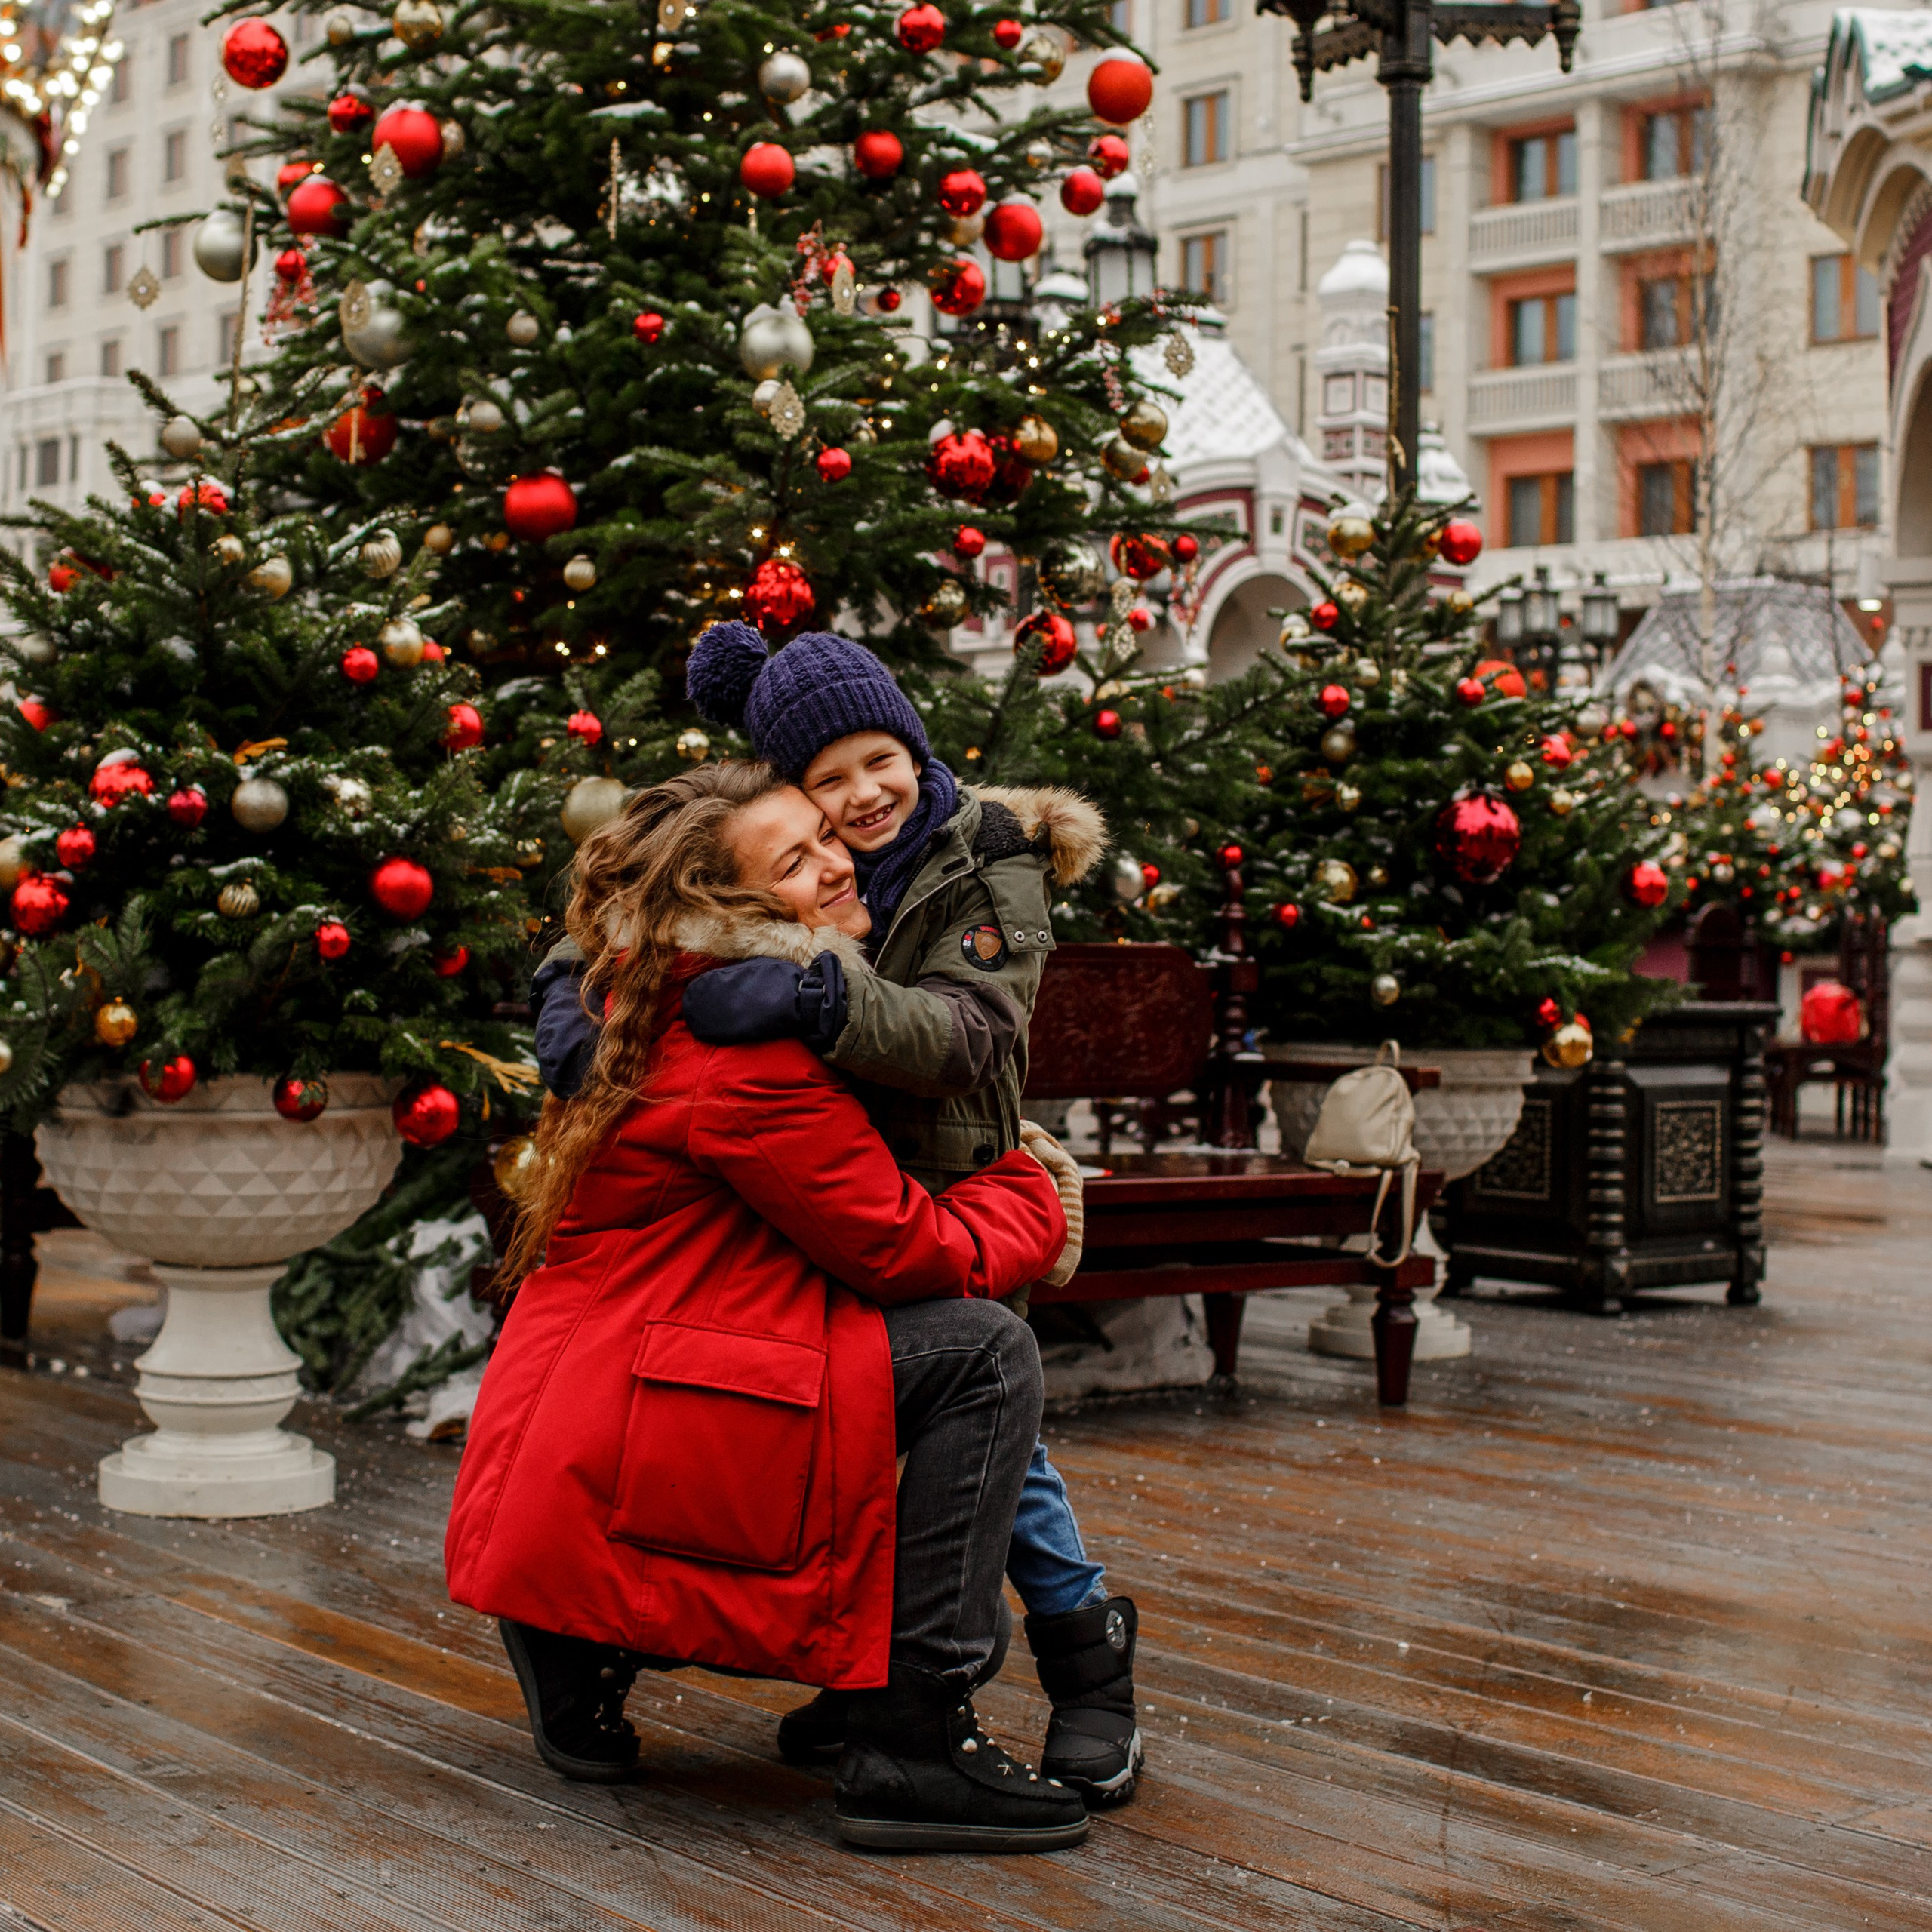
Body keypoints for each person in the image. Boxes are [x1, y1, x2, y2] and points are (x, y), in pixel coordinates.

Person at [531, 622, 1144, 1806]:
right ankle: (872, 1685)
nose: (861, 800)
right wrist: (569, 987)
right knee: (853, 1440)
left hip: (949, 1180)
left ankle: (1090, 1669)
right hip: (825, 1190)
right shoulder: (790, 850)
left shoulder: (991, 860)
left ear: (915, 742)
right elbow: (658, 889)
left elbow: (967, 1042)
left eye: (880, 762)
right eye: (826, 785)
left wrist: (820, 994)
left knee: (1011, 1461)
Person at [447, 761, 1090, 1852]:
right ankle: (913, 1739)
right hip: (654, 1390)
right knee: (981, 1353)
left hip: (607, 1371)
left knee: (924, 1356)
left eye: (826, 839)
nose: (839, 861)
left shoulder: (642, 985)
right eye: (794, 862)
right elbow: (906, 1247)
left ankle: (579, 1645)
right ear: (731, 906)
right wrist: (1033, 1195)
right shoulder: (743, 1054)